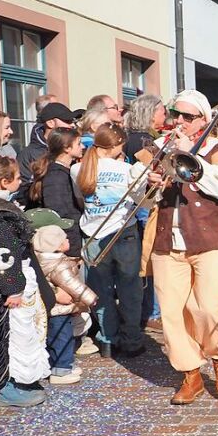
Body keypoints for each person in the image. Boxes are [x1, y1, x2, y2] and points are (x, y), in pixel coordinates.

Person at [146, 90, 218, 405]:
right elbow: (139, 197)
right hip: (167, 238)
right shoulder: (159, 147)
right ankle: (190, 374)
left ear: (203, 119)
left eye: (189, 116)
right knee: (172, 310)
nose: (181, 122)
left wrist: (192, 157)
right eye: (177, 114)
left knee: (210, 305)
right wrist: (151, 184)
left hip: (208, 237)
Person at [73, 122, 147, 358]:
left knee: (101, 290)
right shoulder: (127, 170)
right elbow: (140, 199)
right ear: (116, 145)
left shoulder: (79, 169)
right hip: (123, 233)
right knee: (130, 288)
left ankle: (106, 339)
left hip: (93, 234)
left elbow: (80, 200)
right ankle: (132, 340)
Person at [0, 156, 54, 408]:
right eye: (17, 178)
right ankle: (8, 386)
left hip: (2, 284)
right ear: (4, 182)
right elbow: (2, 256)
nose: (21, 181)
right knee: (10, 336)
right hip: (3, 289)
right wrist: (13, 289)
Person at [123, 94, 167, 332]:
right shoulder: (144, 141)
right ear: (150, 114)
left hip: (136, 204)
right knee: (151, 259)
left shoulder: (131, 137)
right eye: (161, 111)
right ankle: (153, 312)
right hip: (144, 204)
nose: (165, 116)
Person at [32, 223, 96, 384]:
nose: (68, 239)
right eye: (65, 238)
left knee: (53, 338)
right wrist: (91, 298)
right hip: (59, 310)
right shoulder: (59, 265)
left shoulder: (41, 259)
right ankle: (61, 370)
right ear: (58, 246)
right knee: (63, 338)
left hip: (50, 309)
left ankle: (59, 365)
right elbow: (73, 285)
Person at [27, 129, 85, 258]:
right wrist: (73, 248)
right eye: (79, 143)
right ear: (66, 148)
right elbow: (59, 214)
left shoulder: (64, 171)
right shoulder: (56, 176)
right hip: (67, 243)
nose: (83, 147)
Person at [16, 102, 76, 205]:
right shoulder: (28, 154)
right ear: (50, 123)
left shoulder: (73, 149)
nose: (72, 125)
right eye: (67, 121)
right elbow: (23, 191)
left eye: (73, 121)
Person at [124, 94, 167, 161]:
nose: (165, 117)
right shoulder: (146, 141)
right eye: (164, 113)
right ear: (152, 114)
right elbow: (150, 167)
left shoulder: (127, 134)